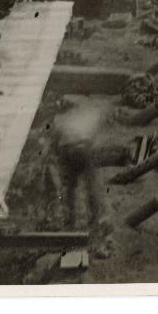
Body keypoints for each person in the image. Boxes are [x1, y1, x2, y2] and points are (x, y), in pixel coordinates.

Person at [49, 100, 126, 258]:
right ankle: (94, 223)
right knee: (92, 188)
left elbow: (54, 145)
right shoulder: (89, 116)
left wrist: (61, 160)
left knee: (70, 190)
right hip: (83, 150)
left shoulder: (60, 120)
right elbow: (95, 140)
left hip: (69, 151)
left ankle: (70, 224)